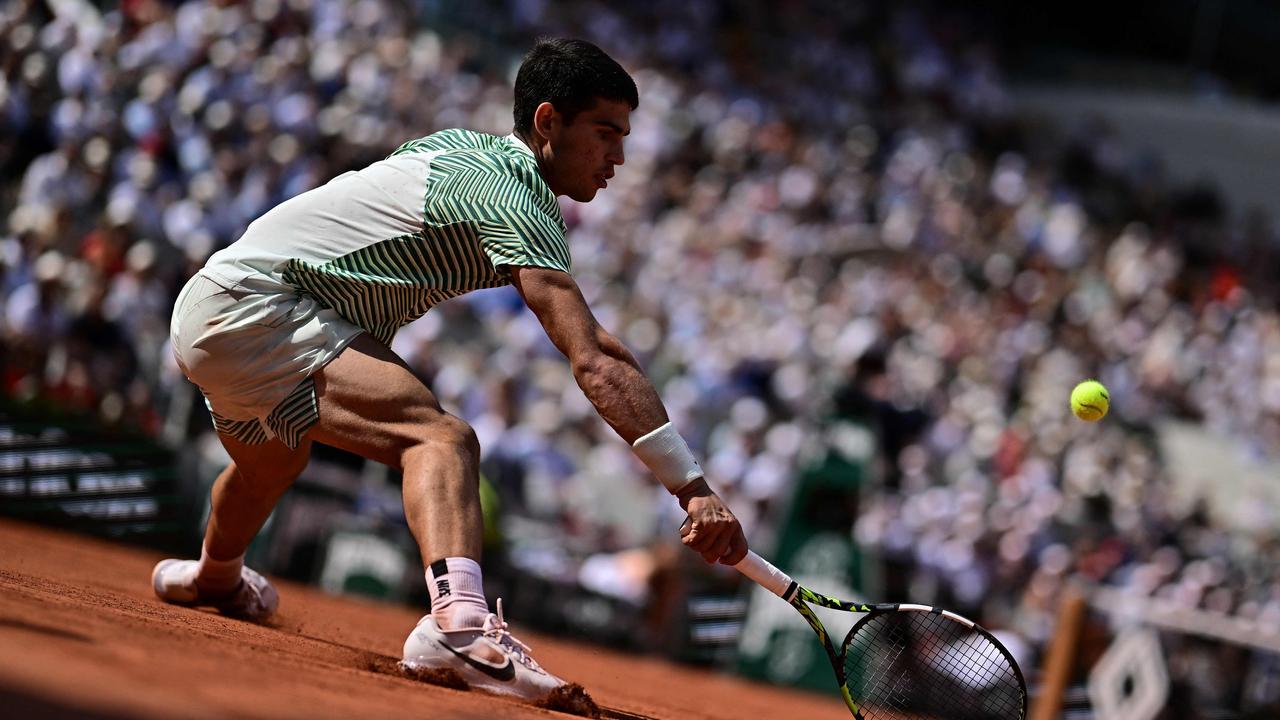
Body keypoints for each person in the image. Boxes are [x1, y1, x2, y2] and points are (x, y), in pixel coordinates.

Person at [151, 38, 749, 703]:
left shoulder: (462, 150)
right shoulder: (517, 194)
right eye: (605, 134)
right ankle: (460, 629)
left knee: (272, 464)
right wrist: (692, 489)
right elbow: (594, 362)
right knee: (440, 438)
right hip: (261, 307)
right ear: (548, 122)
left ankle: (213, 574)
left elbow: (599, 343)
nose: (619, 158)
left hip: (210, 310)